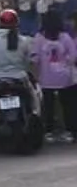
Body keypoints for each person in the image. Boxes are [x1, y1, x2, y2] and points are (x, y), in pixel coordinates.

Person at [38, 8, 77, 142]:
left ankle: (48, 131)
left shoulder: (39, 38)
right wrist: (64, 64)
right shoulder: (65, 37)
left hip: (46, 79)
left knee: (48, 106)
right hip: (66, 79)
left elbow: (34, 58)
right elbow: (73, 56)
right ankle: (69, 131)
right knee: (68, 105)